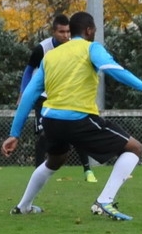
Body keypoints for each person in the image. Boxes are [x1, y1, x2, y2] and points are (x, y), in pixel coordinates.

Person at [2, 11, 142, 220]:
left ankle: (23, 206)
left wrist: (14, 133)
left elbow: (28, 95)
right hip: (78, 119)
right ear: (89, 30)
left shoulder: (51, 56)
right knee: (135, 148)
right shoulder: (91, 48)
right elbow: (111, 68)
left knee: (55, 159)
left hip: (50, 120)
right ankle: (104, 201)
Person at [20, 13, 98, 183]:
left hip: (65, 96)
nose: (65, 35)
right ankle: (38, 172)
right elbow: (28, 70)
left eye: (68, 31)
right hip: (43, 97)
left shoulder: (74, 47)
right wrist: (23, 93)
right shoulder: (42, 49)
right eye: (61, 32)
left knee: (77, 131)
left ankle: (87, 170)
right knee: (43, 134)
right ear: (53, 32)